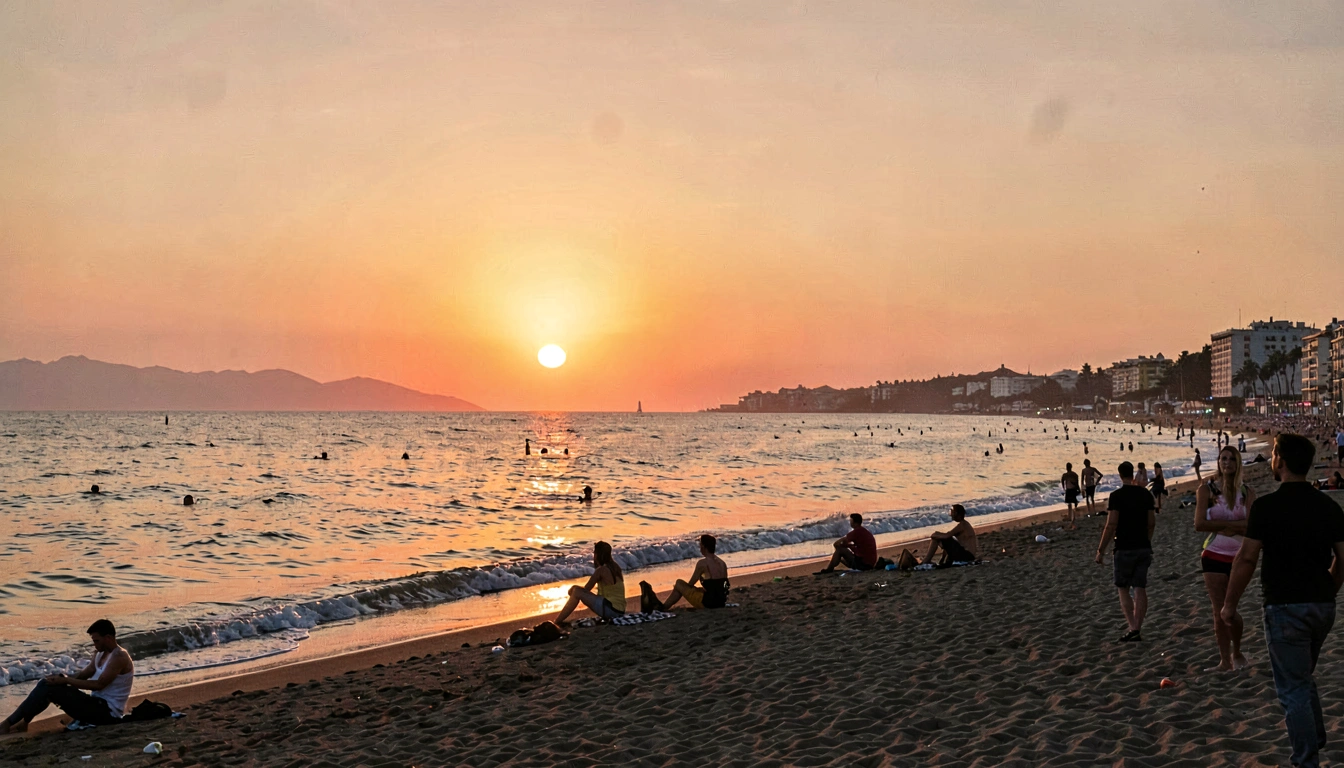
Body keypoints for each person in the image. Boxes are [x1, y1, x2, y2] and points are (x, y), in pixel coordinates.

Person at [1222, 434, 1344, 768]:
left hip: (1284, 607)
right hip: (1321, 607)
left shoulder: (1267, 507)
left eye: (1274, 453)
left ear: (1282, 462)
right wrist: (1329, 589)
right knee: (1302, 676)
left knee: (1292, 689)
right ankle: (1316, 737)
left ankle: (1306, 760)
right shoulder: (1328, 506)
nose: (1272, 458)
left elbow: (1246, 559)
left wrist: (1229, 605)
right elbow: (1342, 558)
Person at [1, 620, 133, 734]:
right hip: (96, 705)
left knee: (50, 689)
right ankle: (24, 722)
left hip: (108, 713)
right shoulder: (99, 653)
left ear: (108, 638)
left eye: (97, 641)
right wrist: (61, 677)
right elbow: (83, 675)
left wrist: (66, 680)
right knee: (47, 684)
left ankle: (7, 724)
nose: (95, 644)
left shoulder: (119, 656)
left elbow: (99, 684)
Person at [1194, 446, 1255, 672]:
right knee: (1218, 610)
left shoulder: (1247, 492)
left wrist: (1225, 527)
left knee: (1230, 609)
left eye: (1231, 459)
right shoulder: (1207, 490)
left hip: (1241, 556)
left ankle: (1237, 650)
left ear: (1238, 462)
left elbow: (1252, 525)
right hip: (1213, 554)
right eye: (1223, 458)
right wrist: (1232, 527)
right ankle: (1224, 660)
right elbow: (1199, 524)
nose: (1226, 462)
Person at [1095, 462, 1156, 642]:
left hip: (1123, 547)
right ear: (1133, 474)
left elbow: (1111, 524)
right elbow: (1151, 523)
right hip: (1143, 546)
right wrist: (1147, 540)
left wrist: (1101, 550)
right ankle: (1137, 626)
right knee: (1140, 587)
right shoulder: (1146, 494)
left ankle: (1132, 626)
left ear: (1120, 475)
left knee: (1123, 588)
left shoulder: (1116, 496)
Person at [554, 542, 626, 624]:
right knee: (576, 590)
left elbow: (586, 589)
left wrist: (574, 590)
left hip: (611, 610)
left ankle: (557, 621)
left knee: (577, 592)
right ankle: (559, 620)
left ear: (598, 554)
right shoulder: (616, 567)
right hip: (620, 610)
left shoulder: (601, 570)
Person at [655, 534, 730, 610]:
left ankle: (664, 607)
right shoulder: (722, 563)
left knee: (679, 583)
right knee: (699, 589)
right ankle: (664, 607)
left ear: (703, 547)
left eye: (700, 545)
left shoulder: (702, 563)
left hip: (708, 603)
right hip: (721, 602)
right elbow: (719, 585)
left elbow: (690, 584)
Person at [1061, 463, 1081, 528]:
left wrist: (1064, 488)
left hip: (1069, 490)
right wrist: (1078, 489)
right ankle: (1072, 516)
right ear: (1071, 467)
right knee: (1073, 502)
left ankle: (1070, 516)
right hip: (1073, 489)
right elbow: (1077, 483)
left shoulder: (1065, 475)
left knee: (1069, 504)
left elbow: (1062, 481)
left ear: (1066, 467)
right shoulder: (1075, 474)